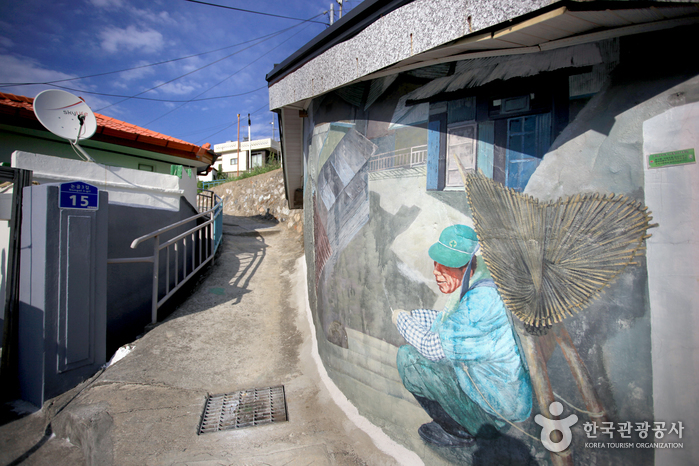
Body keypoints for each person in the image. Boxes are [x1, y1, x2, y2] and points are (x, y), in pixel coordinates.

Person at [393, 224, 532, 447]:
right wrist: (416, 316)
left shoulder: (482, 301)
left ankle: (460, 431)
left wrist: (401, 320)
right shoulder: (481, 284)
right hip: (496, 395)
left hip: (496, 412)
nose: (437, 271)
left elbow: (433, 347)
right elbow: (447, 323)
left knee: (409, 359)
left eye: (447, 265)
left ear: (468, 266)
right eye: (437, 263)